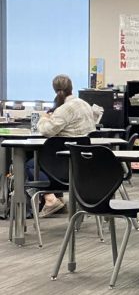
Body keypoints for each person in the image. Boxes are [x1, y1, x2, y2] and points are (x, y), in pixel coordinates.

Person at [29, 74, 103, 216]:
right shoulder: (84, 104)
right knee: (46, 159)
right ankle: (57, 200)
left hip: (62, 167)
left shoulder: (64, 109)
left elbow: (46, 130)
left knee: (28, 164)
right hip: (84, 165)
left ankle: (50, 199)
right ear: (71, 87)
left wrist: (43, 118)